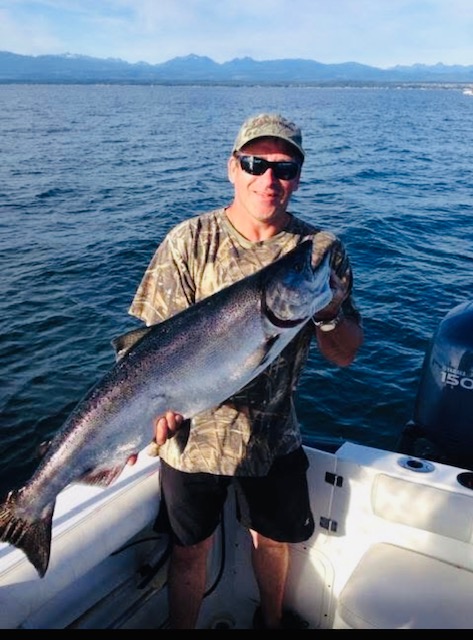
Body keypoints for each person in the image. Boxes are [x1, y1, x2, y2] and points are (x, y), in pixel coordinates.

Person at [128, 113, 364, 629]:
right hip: (190, 437)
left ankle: (272, 623)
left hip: (275, 435)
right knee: (189, 552)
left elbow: (345, 354)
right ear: (232, 168)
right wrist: (148, 415)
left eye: (284, 168)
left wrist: (326, 312)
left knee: (274, 543)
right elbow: (145, 353)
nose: (269, 180)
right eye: (255, 164)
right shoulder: (188, 241)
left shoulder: (320, 253)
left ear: (298, 177)